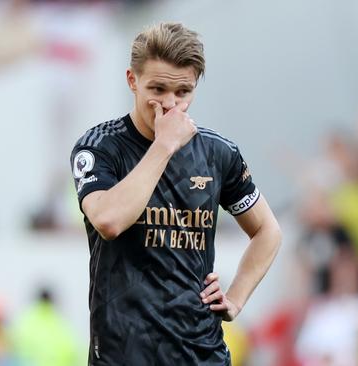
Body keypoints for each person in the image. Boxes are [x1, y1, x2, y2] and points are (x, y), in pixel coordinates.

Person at [70, 22, 282, 365]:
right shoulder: (100, 147)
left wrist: (236, 298)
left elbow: (267, 231)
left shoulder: (218, 153)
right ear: (132, 80)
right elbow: (108, 220)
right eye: (158, 88)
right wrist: (164, 145)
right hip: (124, 353)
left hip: (201, 352)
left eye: (183, 91)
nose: (170, 104)